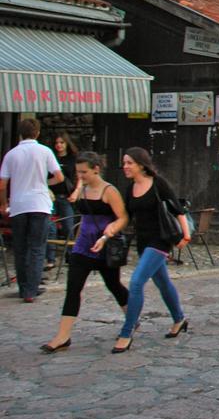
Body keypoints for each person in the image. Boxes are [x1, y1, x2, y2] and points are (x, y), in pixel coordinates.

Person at [40, 151, 130, 353]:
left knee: (114, 284)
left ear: (96, 169)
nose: (80, 176)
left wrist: (109, 233)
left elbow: (123, 218)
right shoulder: (82, 190)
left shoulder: (109, 191)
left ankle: (131, 318)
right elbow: (83, 216)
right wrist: (74, 242)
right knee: (73, 288)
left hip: (104, 245)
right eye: (78, 172)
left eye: (84, 172)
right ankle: (63, 336)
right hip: (83, 245)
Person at [114, 147, 190, 353]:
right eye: (124, 163)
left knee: (136, 282)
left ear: (141, 164)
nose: (125, 167)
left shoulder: (158, 184)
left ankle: (126, 332)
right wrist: (108, 232)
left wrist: (186, 234)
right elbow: (126, 217)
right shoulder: (130, 189)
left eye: (129, 163)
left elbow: (177, 209)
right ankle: (179, 319)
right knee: (163, 283)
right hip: (143, 242)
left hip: (161, 240)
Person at [0, 118, 64, 302]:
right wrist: (44, 183)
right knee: (37, 247)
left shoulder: (11, 154)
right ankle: (32, 289)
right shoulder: (45, 151)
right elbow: (59, 177)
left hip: (19, 205)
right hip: (40, 203)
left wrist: (3, 204)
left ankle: (23, 287)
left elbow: (2, 184)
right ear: (37, 133)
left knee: (20, 248)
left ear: (20, 133)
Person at [45, 134, 79, 270]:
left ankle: (70, 256)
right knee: (50, 227)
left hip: (66, 196)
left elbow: (79, 177)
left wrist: (76, 192)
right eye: (57, 142)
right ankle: (51, 259)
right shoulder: (50, 157)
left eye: (62, 142)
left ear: (67, 144)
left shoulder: (73, 159)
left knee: (68, 226)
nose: (59, 145)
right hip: (51, 196)